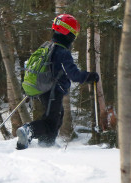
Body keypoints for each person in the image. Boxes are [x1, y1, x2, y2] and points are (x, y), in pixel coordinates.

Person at [16, 14, 99, 150]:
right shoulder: (62, 52)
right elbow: (74, 75)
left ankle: (46, 144)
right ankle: (28, 130)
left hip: (45, 89)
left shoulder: (48, 46)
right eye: (74, 34)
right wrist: (89, 76)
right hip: (52, 91)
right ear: (68, 34)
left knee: (58, 117)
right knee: (50, 122)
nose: (74, 37)